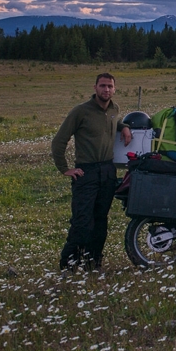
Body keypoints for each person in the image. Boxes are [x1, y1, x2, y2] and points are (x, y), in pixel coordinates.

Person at [51, 73, 132, 271]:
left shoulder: (114, 109)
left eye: (110, 86)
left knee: (100, 222)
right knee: (82, 221)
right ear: (95, 87)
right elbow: (59, 141)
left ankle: (93, 263)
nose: (106, 90)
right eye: (102, 86)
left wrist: (124, 127)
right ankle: (69, 265)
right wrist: (65, 168)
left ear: (114, 89)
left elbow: (110, 123)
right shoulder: (80, 112)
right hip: (86, 172)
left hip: (107, 170)